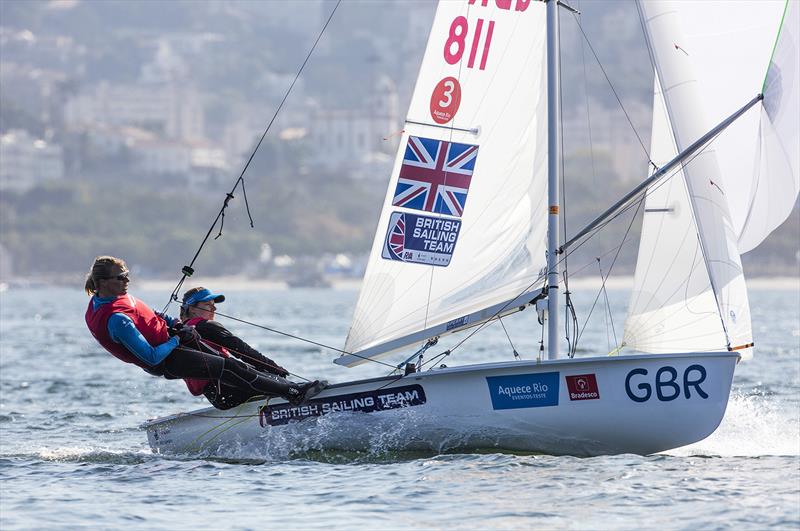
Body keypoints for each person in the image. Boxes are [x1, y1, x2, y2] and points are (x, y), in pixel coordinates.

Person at [83, 256, 325, 408]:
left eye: (128, 274)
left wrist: (176, 326)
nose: (127, 280)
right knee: (229, 367)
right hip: (166, 360)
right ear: (104, 282)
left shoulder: (117, 296)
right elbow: (151, 358)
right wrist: (178, 337)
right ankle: (292, 392)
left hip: (172, 342)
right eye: (121, 277)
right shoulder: (116, 319)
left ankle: (283, 386)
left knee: (228, 365)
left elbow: (154, 314)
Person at [178, 286, 298, 410]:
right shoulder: (206, 326)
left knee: (260, 374)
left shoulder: (182, 332)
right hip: (230, 389)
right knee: (278, 381)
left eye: (214, 305)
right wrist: (275, 368)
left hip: (217, 397)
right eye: (208, 305)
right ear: (192, 309)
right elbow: (243, 351)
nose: (214, 309)